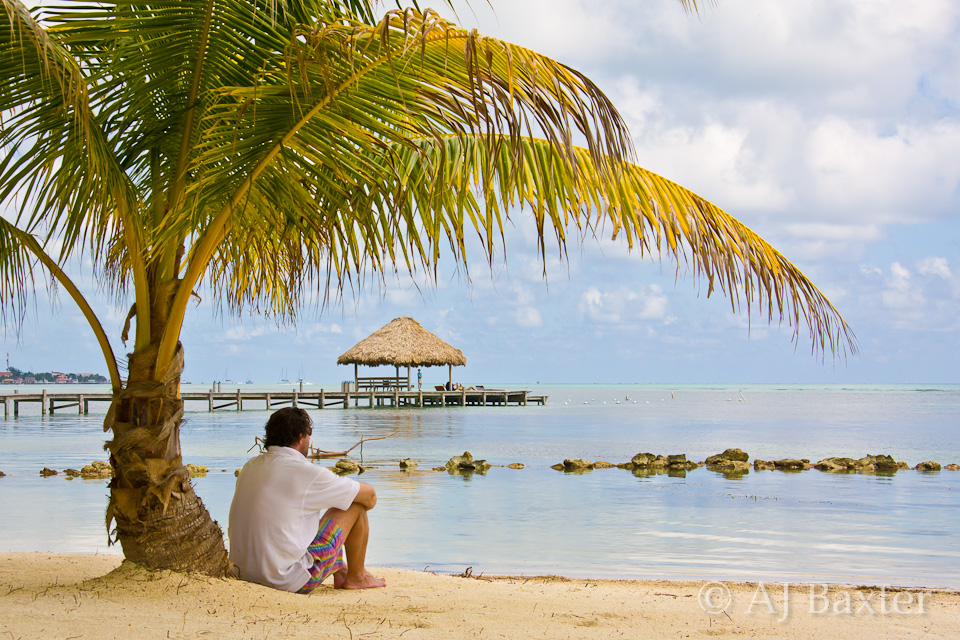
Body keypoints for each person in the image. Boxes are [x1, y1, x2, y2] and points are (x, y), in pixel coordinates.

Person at [228, 407, 386, 592]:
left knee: (302, 521)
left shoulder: (250, 467)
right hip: (286, 580)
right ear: (301, 437)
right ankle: (357, 577)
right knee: (354, 505)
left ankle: (341, 569)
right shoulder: (304, 472)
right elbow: (370, 497)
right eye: (309, 436)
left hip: (243, 572)